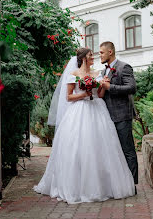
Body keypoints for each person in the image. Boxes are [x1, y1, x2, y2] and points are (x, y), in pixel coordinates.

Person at [33, 48, 135, 204]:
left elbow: (99, 95)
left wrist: (102, 86)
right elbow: (69, 97)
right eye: (90, 55)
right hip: (79, 111)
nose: (93, 57)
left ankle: (103, 186)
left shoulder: (97, 74)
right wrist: (83, 94)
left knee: (100, 148)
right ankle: (78, 186)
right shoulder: (73, 74)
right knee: (79, 148)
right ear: (82, 58)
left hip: (98, 110)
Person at [99, 41, 138, 189]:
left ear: (110, 52)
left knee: (127, 150)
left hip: (122, 115)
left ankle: (132, 186)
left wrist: (110, 87)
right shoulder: (103, 72)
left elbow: (132, 88)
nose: (100, 55)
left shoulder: (123, 67)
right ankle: (119, 184)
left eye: (102, 52)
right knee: (114, 151)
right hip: (108, 118)